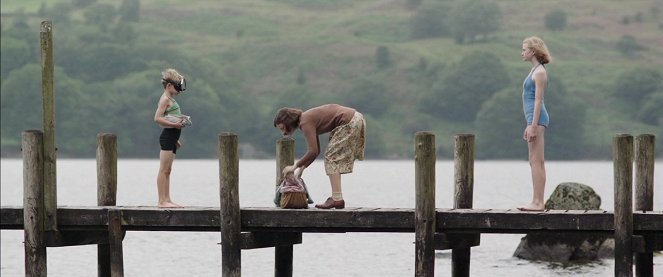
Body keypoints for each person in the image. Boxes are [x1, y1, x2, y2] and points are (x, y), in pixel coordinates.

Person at [273, 104, 366, 209]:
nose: (284, 132)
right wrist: (302, 168)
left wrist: (294, 167)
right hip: (356, 118)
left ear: (288, 121)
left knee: (331, 158)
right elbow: (316, 151)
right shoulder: (306, 118)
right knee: (332, 158)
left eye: (282, 128)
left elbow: (312, 151)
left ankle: (337, 199)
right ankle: (337, 198)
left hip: (348, 120)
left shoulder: (305, 122)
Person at [518, 36, 552, 212]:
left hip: (537, 120)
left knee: (536, 160)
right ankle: (538, 201)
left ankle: (538, 203)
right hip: (534, 120)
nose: (522, 52)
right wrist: (529, 123)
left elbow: (538, 101)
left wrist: (532, 125)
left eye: (524, 49)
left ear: (532, 51)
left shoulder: (539, 72)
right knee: (536, 161)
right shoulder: (535, 70)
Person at [153, 68, 188, 208]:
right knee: (163, 169)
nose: (179, 90)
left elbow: (169, 117)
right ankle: (162, 201)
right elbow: (157, 118)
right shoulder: (165, 99)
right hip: (167, 137)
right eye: (177, 87)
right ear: (168, 86)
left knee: (168, 170)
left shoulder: (171, 99)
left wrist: (176, 137)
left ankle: (167, 199)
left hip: (173, 137)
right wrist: (174, 125)